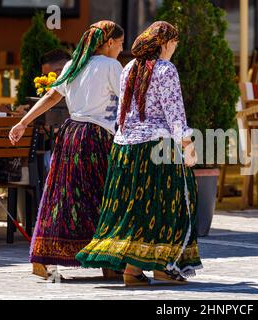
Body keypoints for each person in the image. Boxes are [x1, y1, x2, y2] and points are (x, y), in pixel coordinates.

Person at [76, 21, 203, 286]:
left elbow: (123, 112)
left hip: (124, 149)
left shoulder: (128, 68)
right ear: (166, 43)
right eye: (174, 44)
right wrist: (188, 147)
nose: (174, 50)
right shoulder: (166, 69)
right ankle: (149, 268)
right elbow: (174, 113)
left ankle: (150, 268)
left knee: (135, 210)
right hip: (156, 148)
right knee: (168, 207)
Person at [9, 20, 124, 279]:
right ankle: (109, 262)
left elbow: (52, 96)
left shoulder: (73, 65)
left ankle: (42, 259)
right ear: (108, 43)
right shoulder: (111, 66)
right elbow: (128, 103)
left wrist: (23, 122)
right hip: (98, 137)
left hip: (70, 135)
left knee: (62, 199)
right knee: (104, 198)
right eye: (119, 43)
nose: (120, 48)